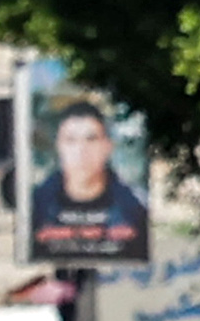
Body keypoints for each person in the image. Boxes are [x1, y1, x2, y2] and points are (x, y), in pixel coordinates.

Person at [27, 99, 151, 266]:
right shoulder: (35, 207)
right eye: (71, 140)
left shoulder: (135, 211)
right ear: (58, 146)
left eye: (91, 139)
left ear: (107, 146)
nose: (81, 151)